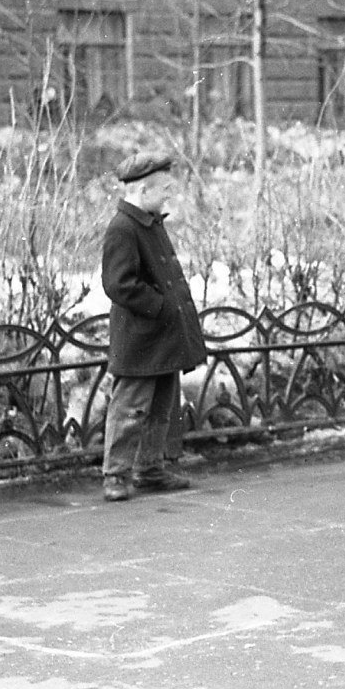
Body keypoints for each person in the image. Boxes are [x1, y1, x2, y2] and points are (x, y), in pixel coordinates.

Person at [100, 150, 207, 502]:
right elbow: (119, 284)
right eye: (164, 190)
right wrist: (162, 308)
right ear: (143, 190)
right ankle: (115, 475)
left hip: (159, 337)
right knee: (130, 408)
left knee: (162, 406)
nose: (168, 196)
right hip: (141, 338)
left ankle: (149, 469)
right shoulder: (124, 228)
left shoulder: (148, 221)